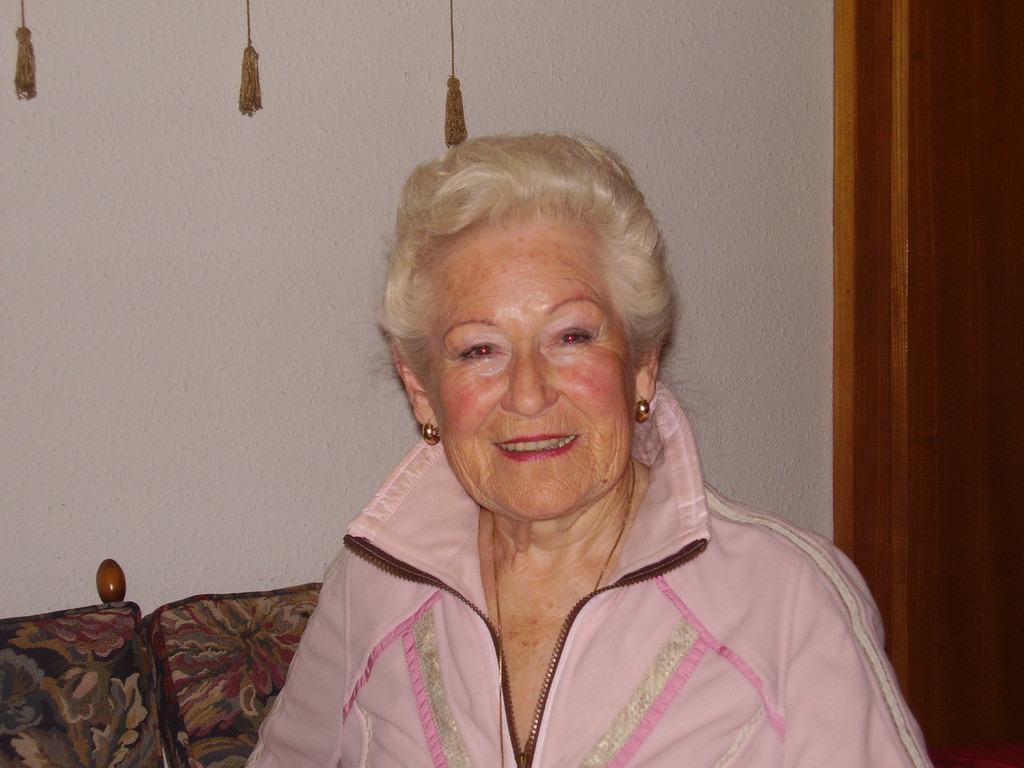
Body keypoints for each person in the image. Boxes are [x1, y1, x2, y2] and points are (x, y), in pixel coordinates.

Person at [246, 134, 931, 767]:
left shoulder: (787, 600)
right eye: (478, 350)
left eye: (571, 336)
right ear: (421, 391)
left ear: (642, 364)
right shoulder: (370, 589)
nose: (528, 393)